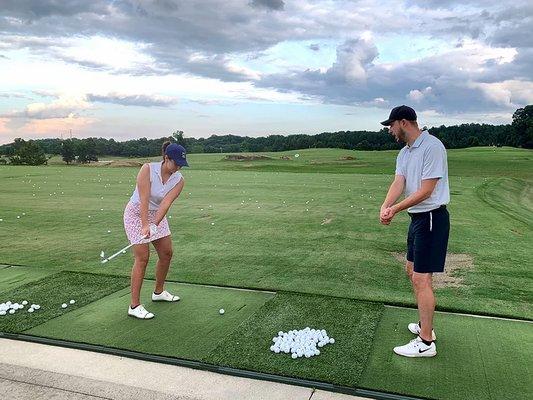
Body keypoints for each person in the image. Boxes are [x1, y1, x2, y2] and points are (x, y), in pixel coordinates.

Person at [379, 105, 450, 357]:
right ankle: (425, 324)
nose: (389, 130)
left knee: (422, 278)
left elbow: (427, 190)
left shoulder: (432, 147)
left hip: (431, 217)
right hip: (417, 219)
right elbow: (400, 182)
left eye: (391, 125)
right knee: (412, 271)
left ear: (404, 122)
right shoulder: (405, 152)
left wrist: (395, 208)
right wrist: (386, 206)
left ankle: (426, 341)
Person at [123, 142, 188, 319]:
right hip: (136, 213)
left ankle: (158, 293)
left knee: (167, 253)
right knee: (143, 257)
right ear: (166, 158)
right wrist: (145, 224)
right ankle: (134, 306)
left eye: (181, 164)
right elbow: (144, 199)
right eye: (176, 163)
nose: (178, 167)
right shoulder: (147, 169)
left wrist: (154, 223)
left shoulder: (179, 180)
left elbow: (165, 203)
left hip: (156, 215)